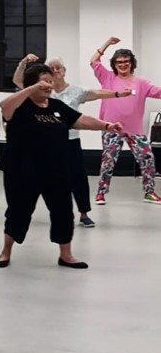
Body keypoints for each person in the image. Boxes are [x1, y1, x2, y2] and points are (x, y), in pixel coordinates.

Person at [0, 64, 122, 269]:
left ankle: (66, 255)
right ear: (32, 84)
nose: (49, 85)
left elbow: (80, 120)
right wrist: (31, 89)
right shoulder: (19, 106)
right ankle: (5, 251)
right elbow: (4, 106)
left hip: (55, 169)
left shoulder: (56, 106)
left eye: (50, 81)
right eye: (44, 82)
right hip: (22, 170)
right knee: (18, 211)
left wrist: (106, 126)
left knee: (63, 211)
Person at [14, 53, 127, 227]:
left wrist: (118, 94)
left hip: (70, 141)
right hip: (46, 143)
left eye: (58, 67)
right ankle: (25, 212)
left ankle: (84, 214)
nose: (55, 71)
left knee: (78, 178)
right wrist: (23, 63)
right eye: (51, 68)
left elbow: (97, 93)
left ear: (64, 71)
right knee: (38, 177)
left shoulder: (75, 91)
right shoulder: (41, 89)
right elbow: (18, 81)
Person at [88, 37, 161, 204]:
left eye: (126, 61)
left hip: (135, 129)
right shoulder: (107, 78)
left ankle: (149, 192)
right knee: (108, 161)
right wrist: (107, 43)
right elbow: (94, 61)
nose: (123, 64)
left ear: (131, 63)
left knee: (147, 159)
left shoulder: (142, 83)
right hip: (111, 128)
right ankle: (101, 193)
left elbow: (158, 92)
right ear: (114, 64)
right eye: (119, 62)